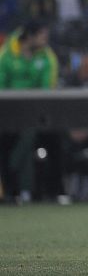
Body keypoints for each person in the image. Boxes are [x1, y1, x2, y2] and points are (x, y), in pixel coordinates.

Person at [0, 21, 58, 203]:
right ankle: (15, 187)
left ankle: (17, 183)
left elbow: (47, 88)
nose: (45, 40)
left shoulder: (47, 57)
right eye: (42, 35)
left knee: (30, 137)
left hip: (34, 114)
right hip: (7, 113)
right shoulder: (6, 55)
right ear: (30, 37)